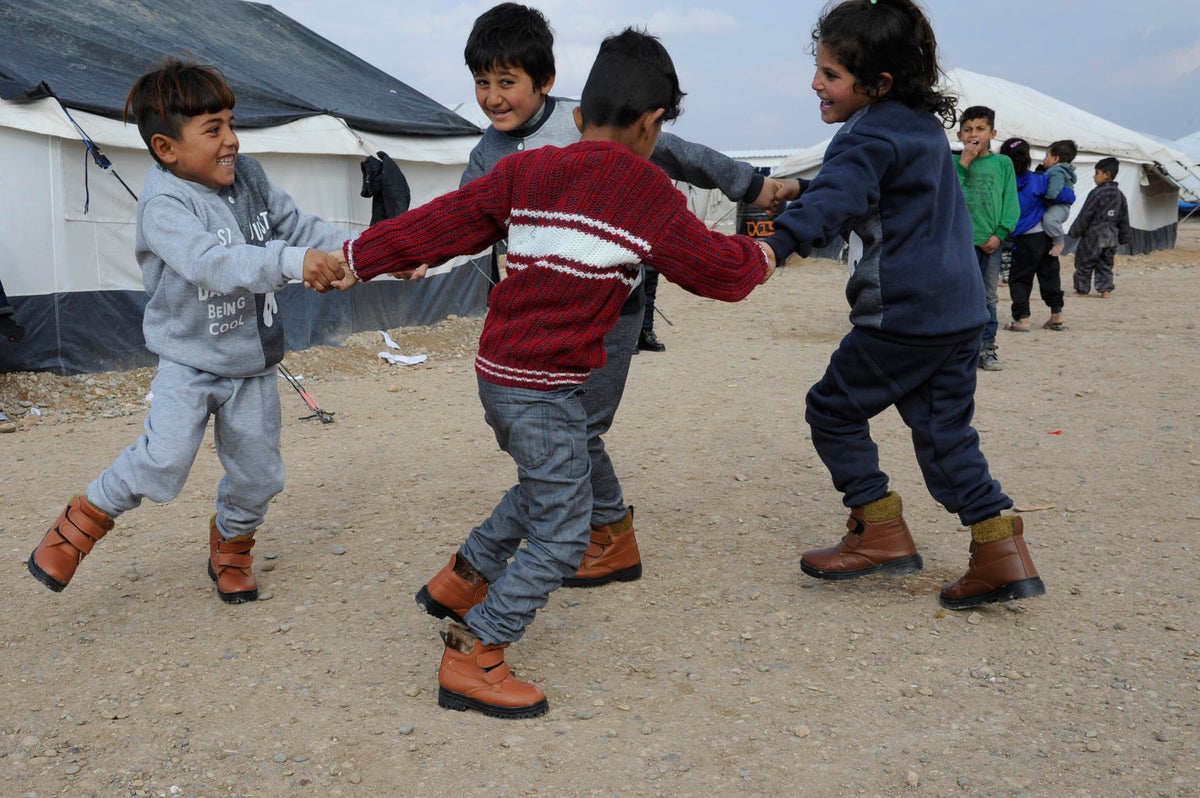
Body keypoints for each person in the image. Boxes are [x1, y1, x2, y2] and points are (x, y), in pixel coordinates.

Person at [334, 28, 774, 718]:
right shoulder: (650, 193)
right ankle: (475, 652)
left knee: (553, 478)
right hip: (547, 383)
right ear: (653, 123)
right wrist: (771, 253)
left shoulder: (522, 171)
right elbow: (723, 274)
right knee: (565, 530)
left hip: (500, 370)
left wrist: (355, 258)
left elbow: (438, 224)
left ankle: (464, 576)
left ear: (577, 112)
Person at [447, 2, 797, 588]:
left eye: (507, 82)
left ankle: (604, 536)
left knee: (578, 430)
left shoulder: (592, 123)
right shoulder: (487, 156)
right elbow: (460, 217)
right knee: (560, 432)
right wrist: (419, 255)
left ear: (548, 83)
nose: (492, 97)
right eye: (482, 83)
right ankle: (601, 532)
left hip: (613, 311)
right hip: (540, 323)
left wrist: (755, 185)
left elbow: (683, 154)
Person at [26, 59, 352, 603]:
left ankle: (231, 545)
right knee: (163, 461)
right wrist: (296, 262)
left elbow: (300, 226)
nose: (232, 140)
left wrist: (371, 252)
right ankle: (83, 519)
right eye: (213, 129)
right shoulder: (165, 205)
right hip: (191, 361)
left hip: (253, 363)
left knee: (260, 475)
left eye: (230, 122)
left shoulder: (251, 177)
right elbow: (214, 264)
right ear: (166, 148)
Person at [761, 0, 1045, 612]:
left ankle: (879, 530)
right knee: (945, 433)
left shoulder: (864, 134)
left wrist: (776, 243)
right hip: (961, 311)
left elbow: (845, 193)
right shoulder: (917, 129)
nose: (816, 82)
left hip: (904, 314)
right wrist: (805, 189)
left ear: (878, 83)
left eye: (830, 74)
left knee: (832, 409)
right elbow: (882, 195)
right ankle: (1001, 551)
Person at [956, 105, 1018, 371]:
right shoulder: (953, 163)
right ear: (959, 135)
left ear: (992, 132)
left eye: (980, 129)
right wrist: (964, 164)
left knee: (988, 298)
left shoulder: (1003, 163)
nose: (974, 134)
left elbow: (1010, 201)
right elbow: (949, 198)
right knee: (958, 296)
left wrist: (1000, 233)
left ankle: (987, 348)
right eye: (968, 130)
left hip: (990, 243)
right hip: (959, 243)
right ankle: (960, 351)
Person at [999, 137, 1067, 332]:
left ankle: (1022, 319)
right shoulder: (1040, 179)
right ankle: (1057, 314)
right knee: (1049, 274)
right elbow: (1064, 195)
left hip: (1023, 239)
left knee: (1019, 278)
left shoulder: (1004, 184)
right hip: (1045, 237)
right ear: (1028, 157)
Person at [1069, 156, 1130, 298]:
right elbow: (1124, 218)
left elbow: (1086, 214)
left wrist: (1075, 231)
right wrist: (1124, 237)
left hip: (1094, 235)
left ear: (1106, 175)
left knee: (1084, 262)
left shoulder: (1096, 193)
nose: (1094, 177)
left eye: (1097, 173)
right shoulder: (1121, 195)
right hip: (1111, 236)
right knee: (1106, 264)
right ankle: (1105, 290)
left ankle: (1082, 290)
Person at [1041, 139, 1078, 257]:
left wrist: (1046, 198)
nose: (1044, 159)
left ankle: (1059, 242)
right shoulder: (1059, 170)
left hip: (1060, 207)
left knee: (1049, 219)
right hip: (1061, 207)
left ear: (1056, 159)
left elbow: (1054, 189)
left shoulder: (1056, 171)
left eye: (1047, 155)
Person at [637, 266, 666, 352]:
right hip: (629, 264)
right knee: (628, 301)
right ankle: (628, 338)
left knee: (649, 299)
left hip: (650, 264)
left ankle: (645, 334)